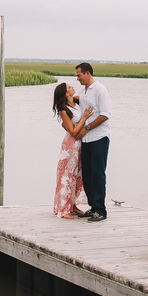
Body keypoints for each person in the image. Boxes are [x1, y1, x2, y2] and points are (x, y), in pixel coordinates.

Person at [52, 82, 94, 219]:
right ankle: (63, 209)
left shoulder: (76, 102)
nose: (72, 87)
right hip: (70, 146)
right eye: (69, 88)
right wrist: (84, 118)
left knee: (78, 176)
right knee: (67, 176)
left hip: (80, 145)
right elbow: (73, 131)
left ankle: (72, 204)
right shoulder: (64, 110)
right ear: (65, 94)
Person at [76, 62, 111, 222]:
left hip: (99, 138)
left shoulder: (100, 90)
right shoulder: (82, 92)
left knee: (97, 174)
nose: (78, 78)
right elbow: (73, 100)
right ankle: (92, 207)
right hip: (86, 140)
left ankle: (101, 211)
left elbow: (104, 115)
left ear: (87, 73)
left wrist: (87, 128)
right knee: (87, 174)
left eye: (79, 75)